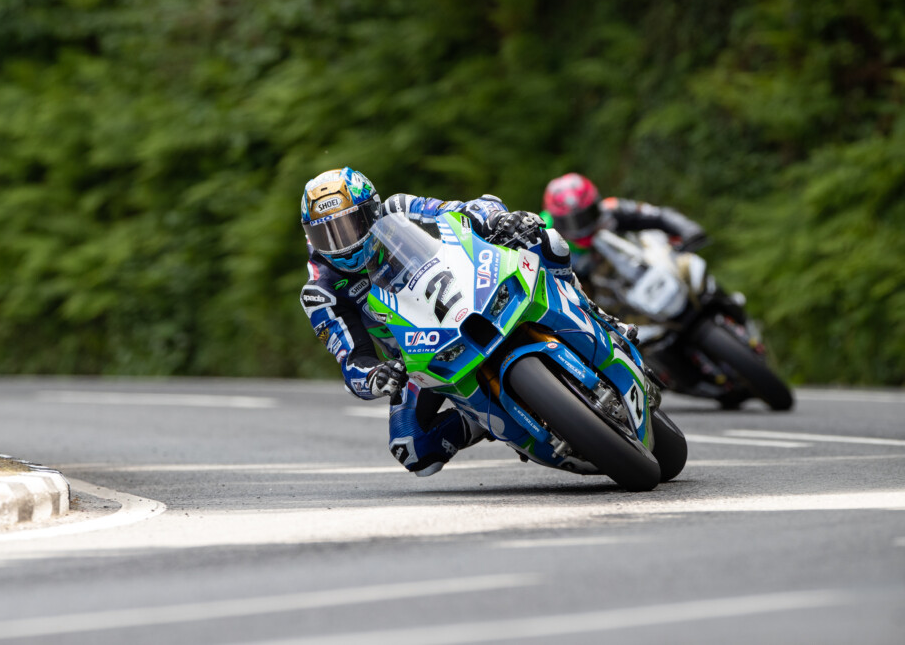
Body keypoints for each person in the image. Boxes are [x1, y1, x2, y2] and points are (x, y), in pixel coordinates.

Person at [299, 167, 576, 477]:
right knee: (410, 446)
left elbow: (460, 209)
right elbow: (353, 361)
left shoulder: (399, 208)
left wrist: (497, 219)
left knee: (546, 240)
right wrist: (376, 375)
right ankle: (484, 419)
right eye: (326, 235)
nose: (341, 244)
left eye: (349, 226)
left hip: (473, 290)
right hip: (421, 355)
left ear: (372, 210)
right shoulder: (320, 292)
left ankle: (586, 311)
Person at [540, 173, 707, 284]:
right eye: (570, 222)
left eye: (588, 214)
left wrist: (688, 230)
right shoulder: (543, 235)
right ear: (556, 221)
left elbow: (657, 215)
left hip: (646, 270)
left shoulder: (610, 208)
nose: (582, 226)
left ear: (596, 202)